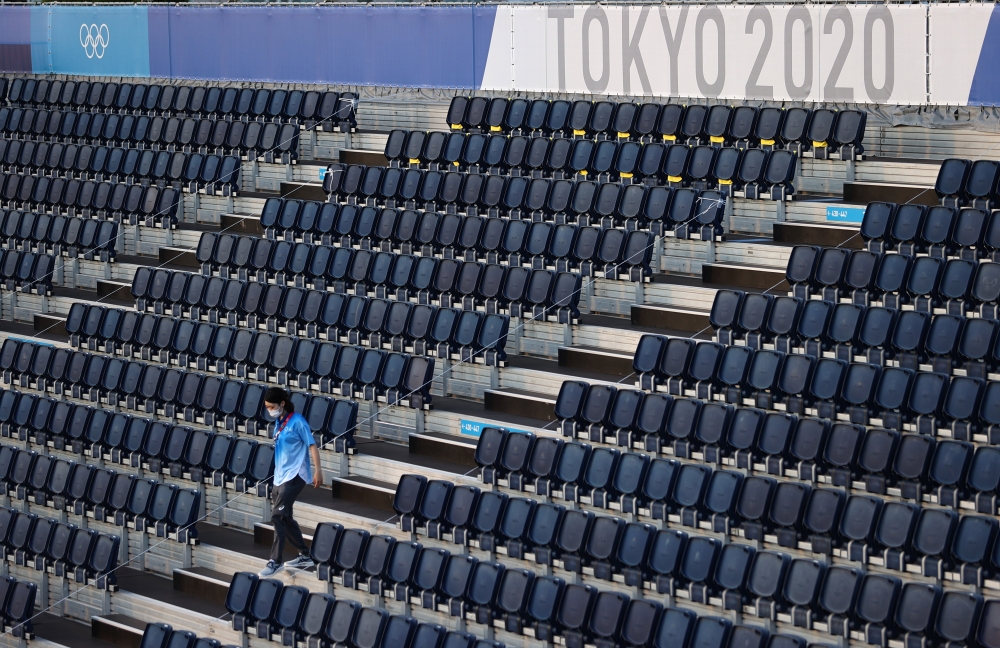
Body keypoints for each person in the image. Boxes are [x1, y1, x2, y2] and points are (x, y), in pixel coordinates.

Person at [258, 387, 323, 577]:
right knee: (285, 517)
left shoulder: (298, 422)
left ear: (282, 404)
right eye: (267, 407)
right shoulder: (279, 422)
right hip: (280, 476)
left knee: (277, 516)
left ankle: (275, 561)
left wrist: (318, 471)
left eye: (272, 406)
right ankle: (305, 554)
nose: (270, 410)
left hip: (295, 476)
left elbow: (312, 445)